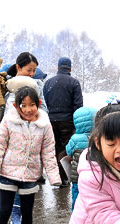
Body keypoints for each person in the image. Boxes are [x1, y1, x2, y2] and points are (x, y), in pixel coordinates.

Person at [0, 86, 60, 224]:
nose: (28, 109)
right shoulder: (8, 121)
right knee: (5, 210)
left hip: (30, 175)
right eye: (23, 105)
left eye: (32, 105)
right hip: (8, 173)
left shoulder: (44, 125)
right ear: (17, 106)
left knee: (27, 211)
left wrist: (54, 176)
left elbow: (48, 152)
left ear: (39, 104)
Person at [0, 54, 45, 224]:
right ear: (18, 68)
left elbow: (44, 109)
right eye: (29, 70)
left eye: (34, 70)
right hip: (4, 137)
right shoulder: (4, 84)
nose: (32, 73)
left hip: (27, 138)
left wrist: (34, 113)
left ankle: (16, 215)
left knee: (23, 178)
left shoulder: (37, 86)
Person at [43, 56, 83, 185]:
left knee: (54, 147)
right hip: (67, 121)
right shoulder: (74, 83)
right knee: (66, 147)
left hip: (51, 120)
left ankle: (58, 177)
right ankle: (65, 176)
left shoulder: (48, 83)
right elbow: (78, 105)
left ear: (58, 67)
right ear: (70, 68)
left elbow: (44, 103)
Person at [65, 105, 97, 209]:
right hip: (94, 175)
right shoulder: (98, 138)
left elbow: (68, 151)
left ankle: (75, 211)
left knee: (76, 195)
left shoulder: (75, 139)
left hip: (77, 176)